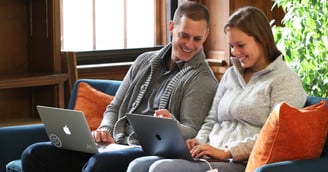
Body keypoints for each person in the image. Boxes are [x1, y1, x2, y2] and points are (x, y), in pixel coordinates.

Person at [21, 2, 218, 172]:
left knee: (98, 164)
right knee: (34, 154)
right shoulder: (143, 61)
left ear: (206, 35)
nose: (190, 44)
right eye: (184, 35)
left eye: (197, 38)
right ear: (171, 27)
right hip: (112, 145)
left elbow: (193, 131)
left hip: (145, 152)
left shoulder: (202, 79)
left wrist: (172, 124)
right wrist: (104, 130)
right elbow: (114, 107)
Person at [126, 6, 307, 172]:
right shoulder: (231, 75)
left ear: (262, 40)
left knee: (160, 169)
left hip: (242, 162)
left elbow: (276, 135)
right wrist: (198, 142)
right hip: (211, 154)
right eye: (231, 46)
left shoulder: (285, 80)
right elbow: (211, 120)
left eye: (240, 45)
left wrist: (227, 152)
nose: (235, 53)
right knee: (137, 166)